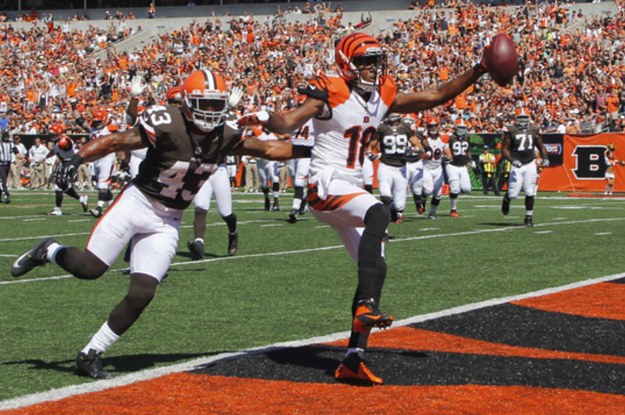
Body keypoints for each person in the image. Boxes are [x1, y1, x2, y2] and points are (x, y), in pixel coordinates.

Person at [11, 69, 307, 380]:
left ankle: (90, 354)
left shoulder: (227, 134)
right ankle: (49, 249)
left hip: (168, 219)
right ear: (188, 103)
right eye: (203, 104)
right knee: (90, 269)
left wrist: (318, 151)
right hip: (136, 203)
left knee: (143, 292)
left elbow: (272, 149)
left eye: (215, 105)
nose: (210, 112)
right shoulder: (169, 123)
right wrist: (77, 159)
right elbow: (116, 141)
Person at [237, 32, 493, 385]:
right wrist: (265, 116)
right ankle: (366, 308)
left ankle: (353, 357)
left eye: (375, 60)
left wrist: (479, 69)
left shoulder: (383, 93)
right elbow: (288, 123)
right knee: (378, 213)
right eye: (365, 61)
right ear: (346, 63)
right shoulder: (331, 89)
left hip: (351, 186)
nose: (373, 67)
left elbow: (435, 95)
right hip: (325, 182)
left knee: (375, 266)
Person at [368, 113, 422, 224]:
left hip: (401, 168)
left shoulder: (405, 127)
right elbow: (371, 145)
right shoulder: (382, 127)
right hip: (386, 166)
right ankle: (385, 218)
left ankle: (393, 208)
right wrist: (370, 153)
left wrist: (413, 149)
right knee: (385, 196)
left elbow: (419, 145)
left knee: (399, 205)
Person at [500, 108, 549, 227]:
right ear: (516, 119)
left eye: (525, 118)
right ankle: (506, 199)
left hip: (530, 163)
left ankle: (528, 217)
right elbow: (504, 149)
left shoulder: (534, 129)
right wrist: (512, 160)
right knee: (513, 194)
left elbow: (541, 146)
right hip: (517, 164)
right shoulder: (510, 130)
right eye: (520, 118)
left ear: (529, 118)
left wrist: (545, 157)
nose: (522, 121)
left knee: (530, 191)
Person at [72, 103, 121, 218]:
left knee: (102, 183)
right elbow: (79, 120)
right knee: (103, 186)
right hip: (97, 159)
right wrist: (74, 107)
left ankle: (99, 208)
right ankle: (112, 206)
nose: (96, 123)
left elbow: (122, 137)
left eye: (99, 121)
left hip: (107, 157)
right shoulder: (93, 128)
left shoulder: (110, 128)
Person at [187, 164, 239, 259]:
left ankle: (233, 233)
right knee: (200, 209)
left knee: (225, 213)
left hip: (218, 171)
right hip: (201, 170)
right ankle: (199, 244)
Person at [46, 127, 89, 216]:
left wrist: (63, 141)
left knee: (60, 185)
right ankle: (81, 199)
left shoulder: (65, 140)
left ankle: (58, 209)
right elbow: (54, 151)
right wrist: (45, 157)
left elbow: (68, 145)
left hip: (71, 162)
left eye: (52, 134)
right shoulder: (56, 143)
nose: (51, 136)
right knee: (61, 186)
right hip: (64, 163)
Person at [444, 119, 474, 217]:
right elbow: (444, 147)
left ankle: (454, 190)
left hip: (462, 165)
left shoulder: (467, 136)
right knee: (455, 189)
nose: (462, 129)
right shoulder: (450, 137)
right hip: (452, 165)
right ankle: (453, 209)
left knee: (467, 189)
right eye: (460, 127)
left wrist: (470, 160)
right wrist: (447, 155)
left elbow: (468, 149)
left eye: (464, 127)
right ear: (456, 127)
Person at [287, 118, 314, 223]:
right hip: (292, 153)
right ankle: (303, 198)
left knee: (299, 181)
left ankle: (294, 209)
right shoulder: (294, 118)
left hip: (305, 153)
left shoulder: (314, 120)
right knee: (294, 180)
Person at [421, 117, 446, 220]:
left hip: (438, 168)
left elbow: (447, 150)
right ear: (427, 127)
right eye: (430, 126)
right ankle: (422, 200)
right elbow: (418, 152)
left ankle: (432, 212)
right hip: (426, 168)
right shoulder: (423, 138)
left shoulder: (444, 137)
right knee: (427, 190)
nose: (433, 128)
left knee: (438, 194)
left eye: (435, 125)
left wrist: (449, 156)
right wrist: (424, 155)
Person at [0, 132, 14, 203]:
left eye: (7, 136)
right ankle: (6, 195)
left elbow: (15, 151)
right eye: (5, 136)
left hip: (8, 164)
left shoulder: (11, 144)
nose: (6, 138)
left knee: (3, 180)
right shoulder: (0, 144)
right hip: (1, 164)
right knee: (3, 181)